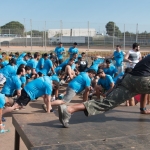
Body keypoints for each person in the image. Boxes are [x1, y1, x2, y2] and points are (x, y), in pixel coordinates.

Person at [58, 54, 150, 128]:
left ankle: (69, 109)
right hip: (143, 80)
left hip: (129, 79)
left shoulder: (147, 58)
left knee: (106, 102)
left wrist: (143, 109)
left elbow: (144, 88)